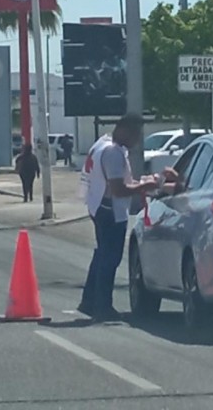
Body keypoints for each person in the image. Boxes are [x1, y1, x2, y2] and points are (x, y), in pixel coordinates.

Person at [78, 113, 173, 322]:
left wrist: (146, 182)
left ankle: (89, 301)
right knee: (109, 258)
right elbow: (119, 189)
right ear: (124, 130)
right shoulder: (113, 152)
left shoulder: (102, 144)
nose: (137, 139)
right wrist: (146, 185)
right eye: (135, 133)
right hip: (111, 209)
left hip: (98, 205)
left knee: (102, 255)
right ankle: (102, 306)